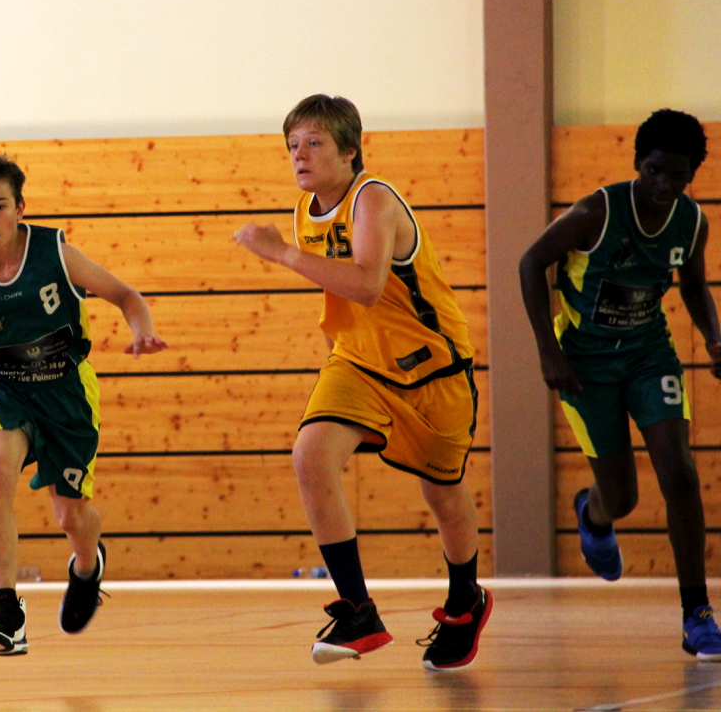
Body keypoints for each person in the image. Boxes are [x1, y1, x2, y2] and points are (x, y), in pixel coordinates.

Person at [234, 94, 490, 671]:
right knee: (310, 455)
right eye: (292, 145)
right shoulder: (307, 210)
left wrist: (281, 254)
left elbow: (368, 285)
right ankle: (357, 610)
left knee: (442, 494)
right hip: (358, 362)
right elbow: (345, 301)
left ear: (349, 150)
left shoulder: (373, 198)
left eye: (314, 143)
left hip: (432, 369)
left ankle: (465, 601)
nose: (299, 155)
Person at [0, 153, 167, 656]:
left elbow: (125, 295)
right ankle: (6, 608)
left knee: (71, 516)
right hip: (4, 385)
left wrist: (142, 330)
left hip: (65, 390)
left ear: (20, 209)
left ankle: (87, 566)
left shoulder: (54, 252)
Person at [520, 108, 721, 660]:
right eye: (655, 171)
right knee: (623, 498)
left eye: (678, 176)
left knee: (680, 474)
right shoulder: (596, 212)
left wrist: (713, 337)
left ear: (690, 176)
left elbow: (694, 286)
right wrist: (548, 350)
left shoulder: (692, 222)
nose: (664, 185)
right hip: (585, 364)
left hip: (649, 355)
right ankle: (595, 515)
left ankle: (697, 614)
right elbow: (531, 263)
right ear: (637, 163)